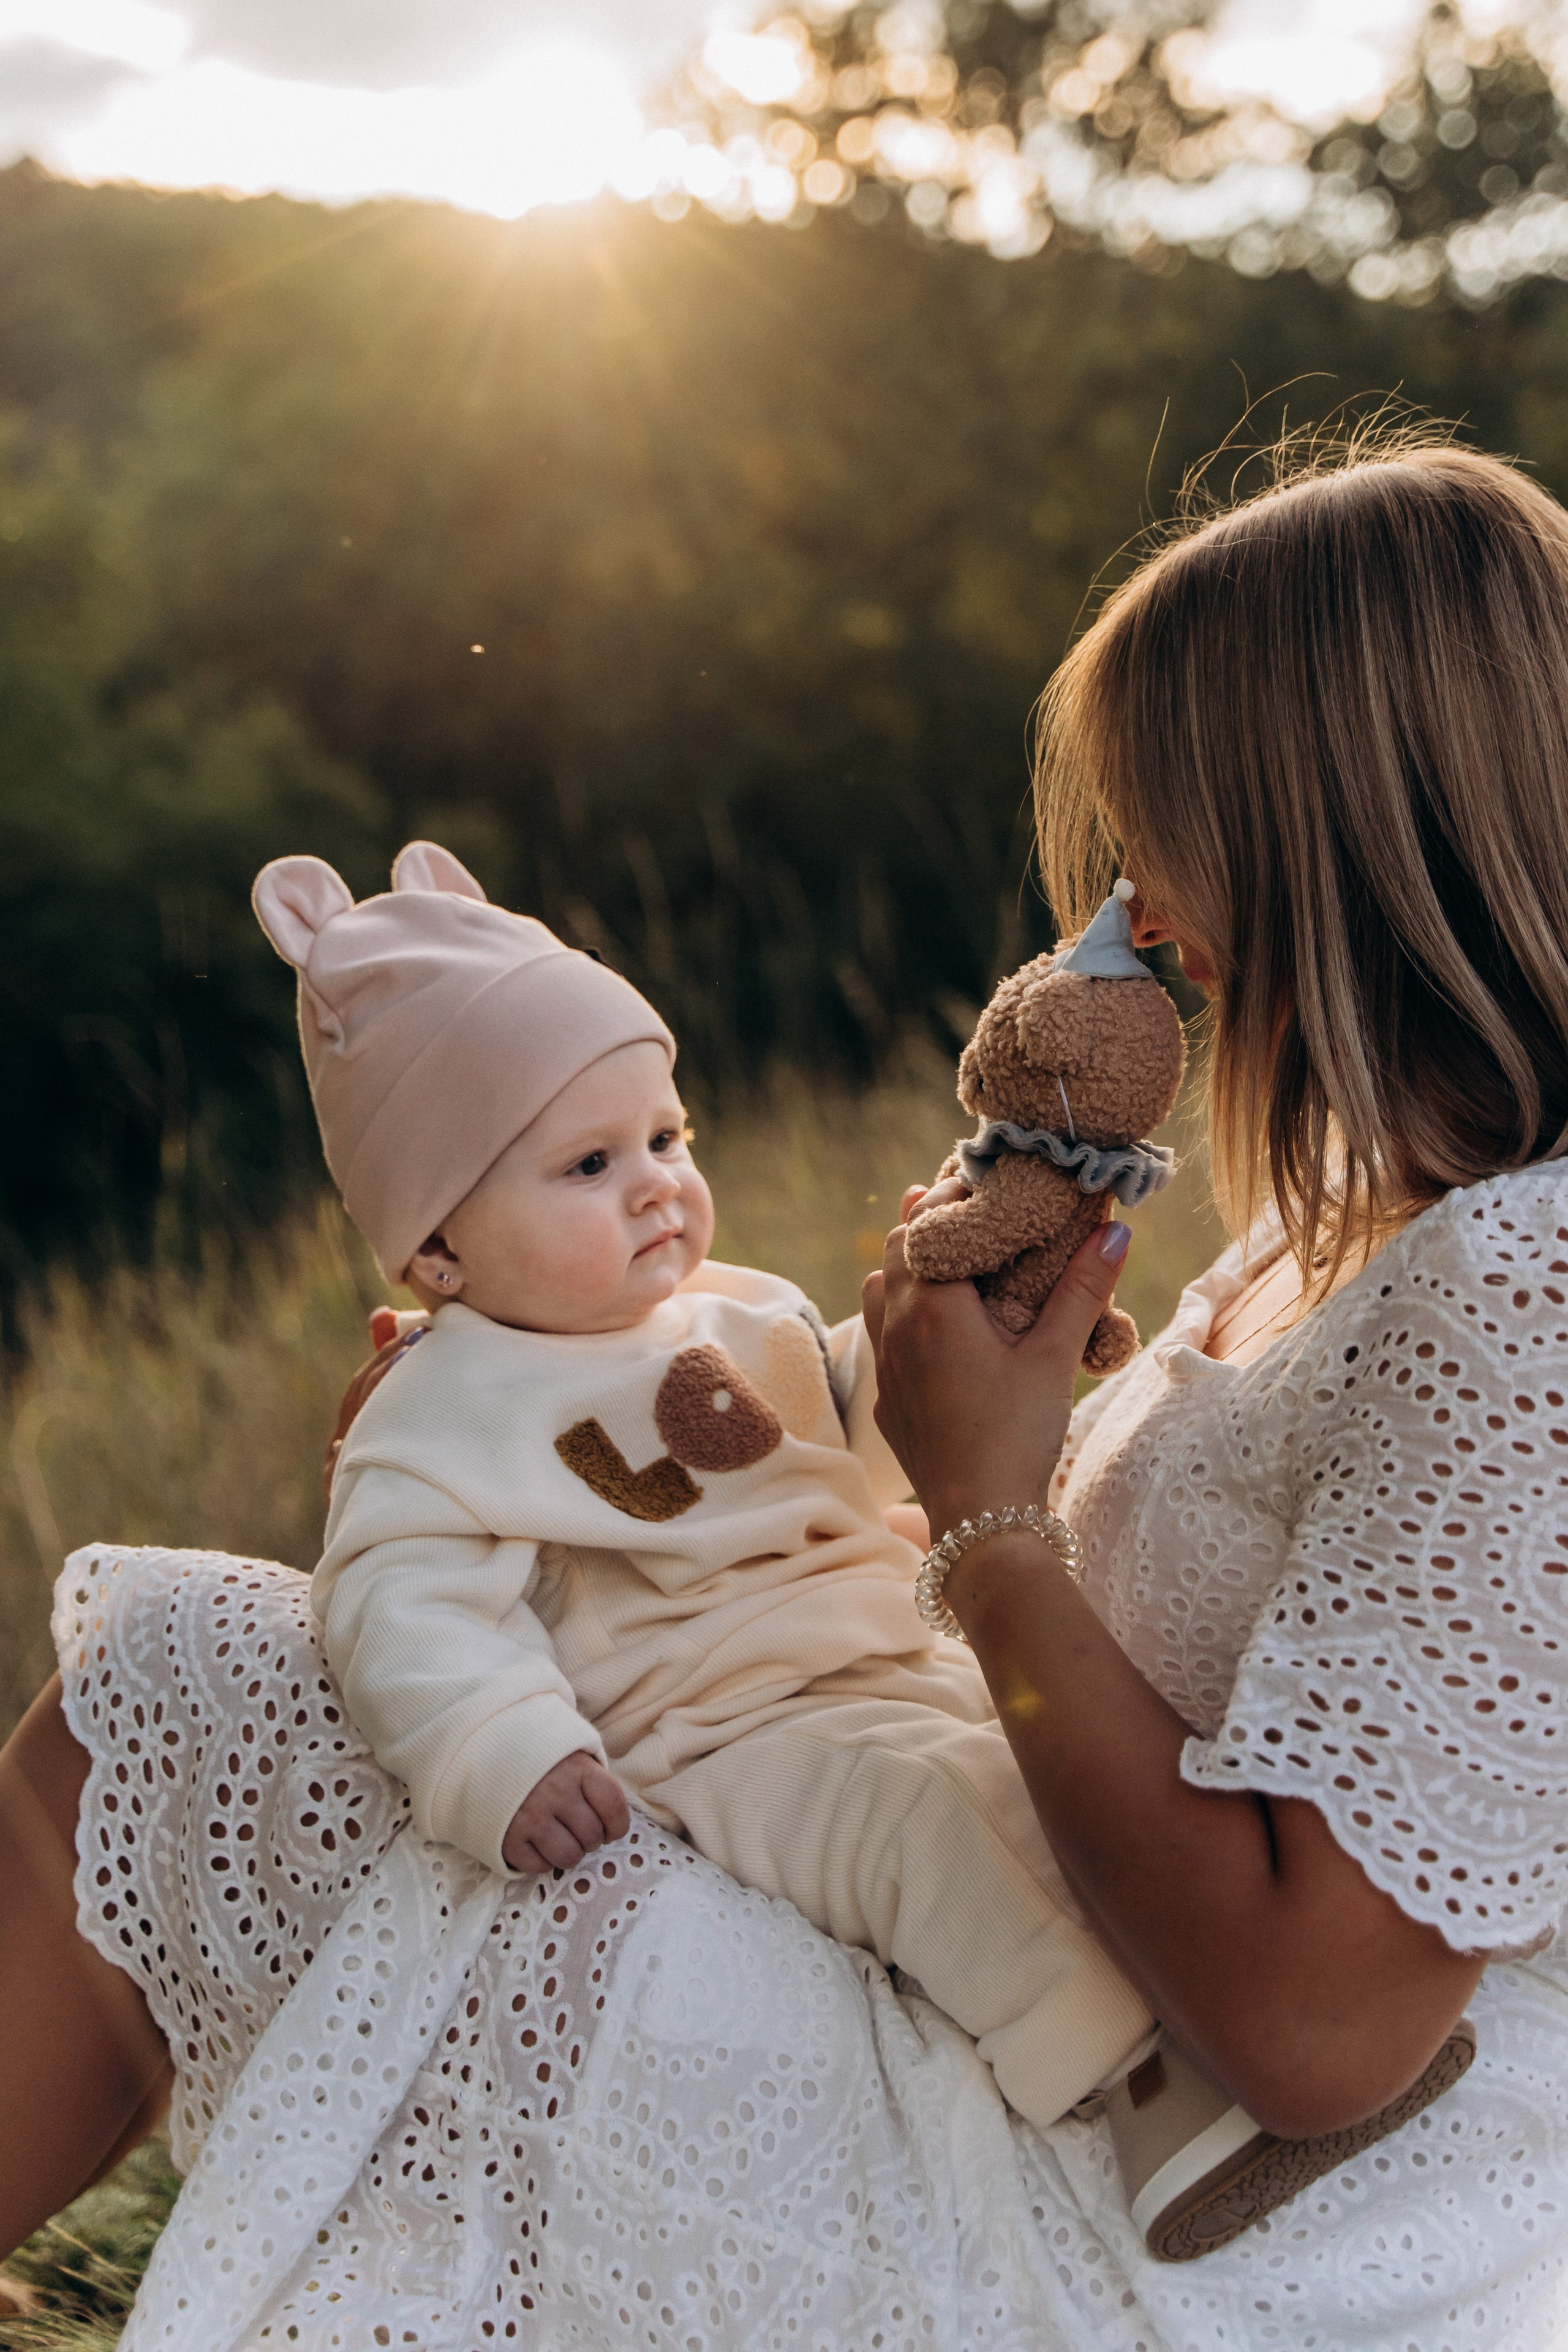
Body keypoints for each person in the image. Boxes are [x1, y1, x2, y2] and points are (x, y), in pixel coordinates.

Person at [4, 429, 1566, 2350]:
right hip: (1026, 1936)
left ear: (1334, 836)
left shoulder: (1523, 1289)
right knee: (210, 1702)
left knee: (152, 1702)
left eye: (1177, 834)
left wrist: (989, 1518)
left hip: (1243, 2208)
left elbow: (1323, 2029)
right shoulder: (1338, 1230)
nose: (1147, 906)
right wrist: (552, 1428)